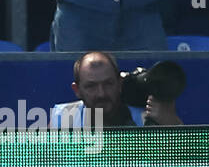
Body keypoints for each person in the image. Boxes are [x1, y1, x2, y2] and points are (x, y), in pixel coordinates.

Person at [51, 50, 182, 128]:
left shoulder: (144, 117)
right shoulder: (63, 118)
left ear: (120, 84)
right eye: (91, 86)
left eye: (108, 84)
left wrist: (171, 122)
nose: (101, 93)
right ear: (77, 90)